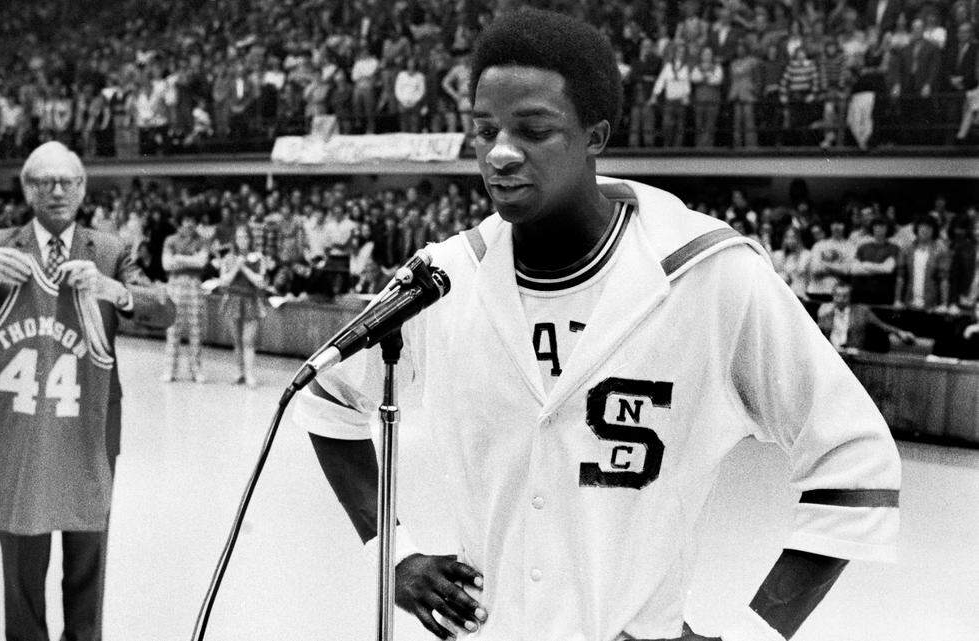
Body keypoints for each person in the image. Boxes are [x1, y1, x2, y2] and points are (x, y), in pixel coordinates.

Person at [296, 8, 900, 641]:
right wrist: (392, 555)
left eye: (534, 129)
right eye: (483, 130)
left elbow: (856, 460)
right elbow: (326, 398)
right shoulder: (443, 277)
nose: (501, 153)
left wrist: (758, 634)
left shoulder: (707, 275)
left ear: (596, 136)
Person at [0, 142, 175, 641]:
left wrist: (113, 290)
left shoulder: (110, 249)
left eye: (67, 181)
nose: (56, 190)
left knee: (87, 557)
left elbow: (163, 307)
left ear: (82, 187)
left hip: (91, 425)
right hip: (20, 424)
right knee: (22, 565)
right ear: (26, 188)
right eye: (43, 181)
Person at [215, 224, 270, 388]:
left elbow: (260, 282)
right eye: (239, 237)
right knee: (237, 340)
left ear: (250, 239)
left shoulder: (259, 257)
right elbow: (223, 281)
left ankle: (250, 374)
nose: (242, 241)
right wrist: (236, 266)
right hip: (233, 300)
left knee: (248, 340)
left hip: (251, 301)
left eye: (245, 237)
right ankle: (239, 372)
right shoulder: (228, 258)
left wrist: (243, 267)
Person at [162, 210, 209, 383]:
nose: (189, 224)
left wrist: (179, 258)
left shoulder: (202, 241)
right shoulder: (170, 240)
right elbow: (166, 265)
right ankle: (170, 369)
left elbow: (202, 262)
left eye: (192, 220)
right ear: (180, 222)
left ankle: (196, 370)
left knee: (196, 329)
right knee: (173, 328)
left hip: (194, 285)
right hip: (175, 285)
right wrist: (191, 259)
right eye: (186, 220)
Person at [816, 279, 915, 352]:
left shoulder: (862, 311)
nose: (841, 299)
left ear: (850, 297)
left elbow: (882, 326)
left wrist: (900, 332)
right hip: (831, 353)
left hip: (853, 354)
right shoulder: (826, 313)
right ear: (833, 296)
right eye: (837, 296)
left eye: (845, 296)